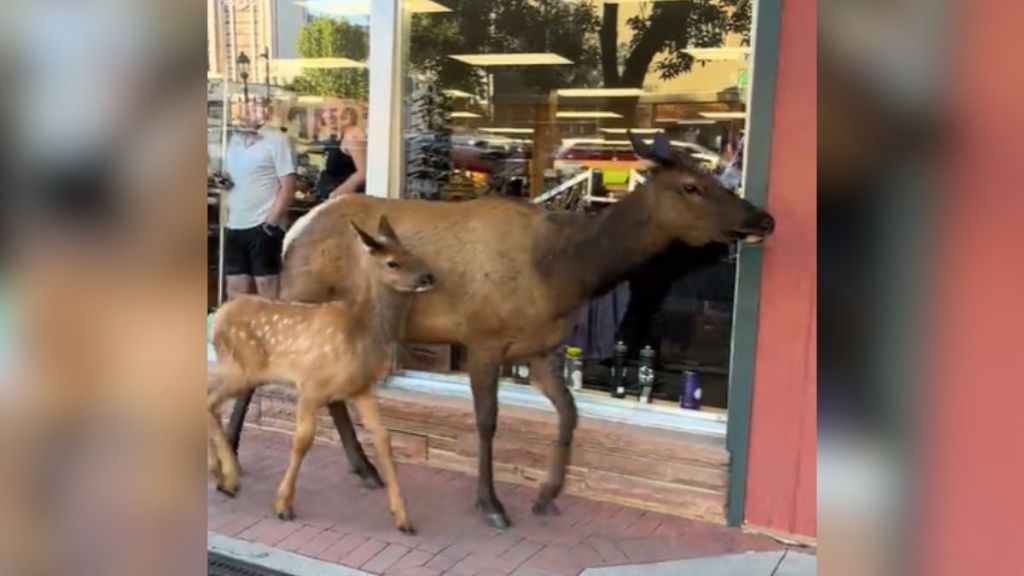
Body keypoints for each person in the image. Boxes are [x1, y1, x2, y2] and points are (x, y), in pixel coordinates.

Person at [220, 102, 296, 300]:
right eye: (243, 108)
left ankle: (269, 331)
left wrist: (270, 223)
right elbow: (232, 179)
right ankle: (238, 331)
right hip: (235, 224)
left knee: (267, 291)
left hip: (262, 224)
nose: (246, 113)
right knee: (236, 291)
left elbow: (287, 185)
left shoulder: (277, 140)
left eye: (252, 108)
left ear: (266, 112)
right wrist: (223, 181)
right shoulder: (233, 141)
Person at [325, 106, 367, 199]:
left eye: (334, 110)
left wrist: (336, 195)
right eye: (325, 111)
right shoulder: (342, 135)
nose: (328, 116)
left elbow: (363, 173)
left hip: (345, 203)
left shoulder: (353, 134)